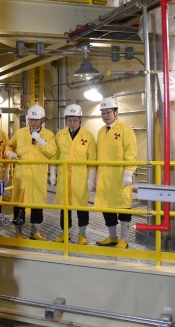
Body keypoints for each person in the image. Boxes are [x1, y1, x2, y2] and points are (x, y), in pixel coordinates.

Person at [5, 104, 57, 240]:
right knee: (18, 203)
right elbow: (9, 145)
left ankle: (35, 232)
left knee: (37, 204)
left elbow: (52, 152)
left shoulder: (49, 135)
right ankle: (18, 232)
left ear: (42, 120)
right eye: (31, 120)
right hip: (21, 174)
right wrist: (10, 153)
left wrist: (40, 140)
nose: (33, 122)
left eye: (36, 120)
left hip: (38, 175)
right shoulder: (20, 133)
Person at [93, 96, 137, 249]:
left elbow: (131, 151)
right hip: (105, 176)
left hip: (120, 176)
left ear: (116, 112)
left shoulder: (125, 129)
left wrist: (129, 172)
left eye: (108, 112)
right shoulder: (100, 132)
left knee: (123, 207)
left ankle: (124, 239)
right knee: (107, 206)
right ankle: (112, 237)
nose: (105, 116)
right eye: (103, 113)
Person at [51, 104, 97, 245]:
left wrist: (91, 178)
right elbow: (54, 155)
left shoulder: (88, 136)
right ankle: (65, 233)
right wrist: (52, 172)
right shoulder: (60, 135)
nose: (72, 123)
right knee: (64, 207)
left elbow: (93, 159)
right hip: (64, 177)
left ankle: (82, 235)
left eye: (75, 120)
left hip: (80, 178)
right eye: (69, 120)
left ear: (80, 120)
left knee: (81, 207)